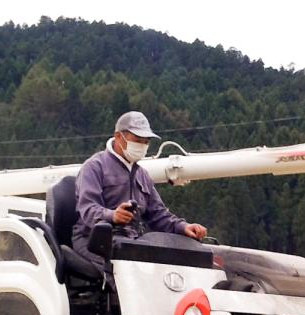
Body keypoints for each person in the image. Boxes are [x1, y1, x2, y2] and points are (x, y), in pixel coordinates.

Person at [72, 111, 207, 268]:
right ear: (118, 137)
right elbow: (88, 208)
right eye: (137, 140)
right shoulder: (94, 167)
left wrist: (183, 227)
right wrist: (112, 216)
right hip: (93, 240)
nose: (142, 146)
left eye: (146, 142)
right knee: (123, 273)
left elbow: (158, 214)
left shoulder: (142, 175)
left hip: (130, 242)